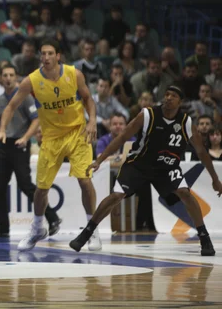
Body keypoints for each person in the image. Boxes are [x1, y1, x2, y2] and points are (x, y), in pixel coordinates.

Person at [70, 86, 222, 256]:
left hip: (167, 167)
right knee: (117, 195)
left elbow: (201, 152)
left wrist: (215, 180)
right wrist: (99, 160)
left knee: (184, 192)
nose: (168, 98)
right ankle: (87, 232)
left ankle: (204, 236)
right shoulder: (148, 115)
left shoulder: (186, 123)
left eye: (173, 96)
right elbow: (122, 137)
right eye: (166, 94)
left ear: (181, 102)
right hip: (139, 164)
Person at [0, 39, 100, 252]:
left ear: (58, 56)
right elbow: (11, 106)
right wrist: (2, 129)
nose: (46, 57)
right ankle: (38, 227)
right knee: (41, 189)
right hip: (51, 138)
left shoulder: (74, 74)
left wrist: (92, 121)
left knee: (84, 180)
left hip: (77, 133)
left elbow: (88, 98)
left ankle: (92, 229)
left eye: (50, 53)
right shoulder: (31, 80)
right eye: (43, 54)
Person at [0, 64, 61, 238]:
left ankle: (53, 218)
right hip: (3, 145)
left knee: (26, 185)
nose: (9, 78)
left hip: (19, 145)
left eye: (12, 75)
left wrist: (26, 138)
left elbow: (36, 120)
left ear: (16, 77)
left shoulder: (25, 98)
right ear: (0, 78)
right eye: (5, 75)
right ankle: (3, 227)